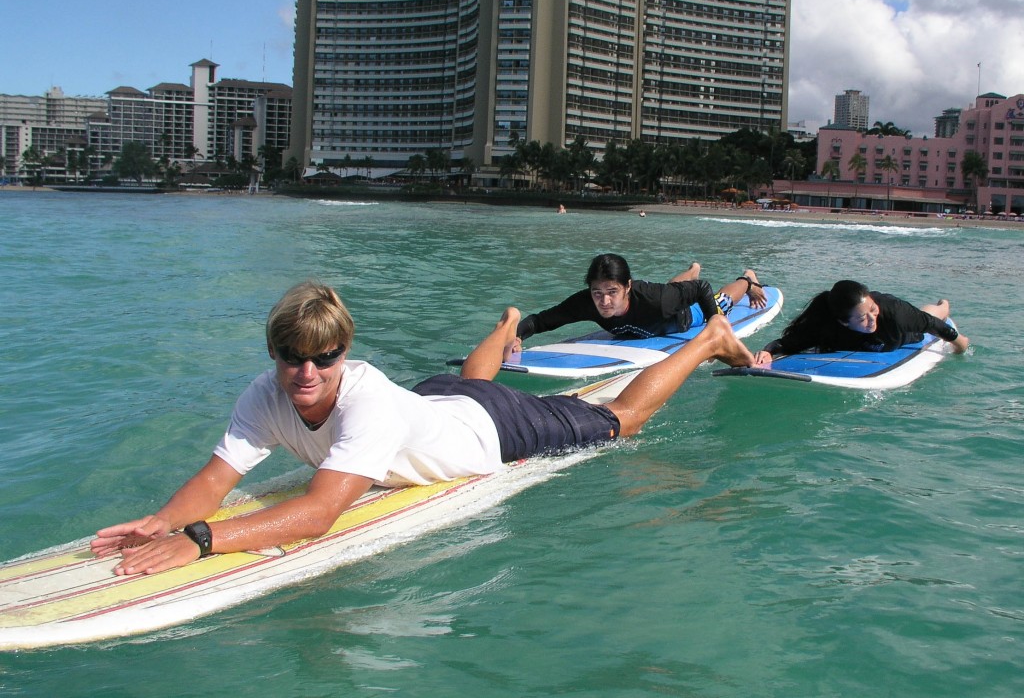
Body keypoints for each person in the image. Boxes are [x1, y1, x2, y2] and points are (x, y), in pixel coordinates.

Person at [91, 281, 755, 576]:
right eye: (294, 356)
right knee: (469, 381)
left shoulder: (365, 403)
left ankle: (709, 341)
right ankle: (506, 326)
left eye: (325, 356)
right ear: (275, 354)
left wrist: (201, 541)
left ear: (343, 351)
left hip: (492, 429)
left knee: (619, 422)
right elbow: (217, 476)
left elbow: (320, 513)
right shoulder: (265, 394)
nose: (308, 372)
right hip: (433, 403)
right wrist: (164, 519)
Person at [513, 253, 768, 349]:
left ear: (627, 286)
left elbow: (702, 289)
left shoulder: (656, 300)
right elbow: (540, 321)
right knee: (673, 289)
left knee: (720, 300)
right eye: (597, 292)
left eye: (612, 292)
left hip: (683, 318)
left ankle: (746, 279)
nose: (604, 300)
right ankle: (692, 269)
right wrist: (517, 337)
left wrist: (715, 323)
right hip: (666, 296)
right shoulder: (587, 302)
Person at [752, 279, 969, 367]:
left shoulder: (892, 313)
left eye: (872, 311)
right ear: (843, 322)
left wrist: (960, 344)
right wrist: (768, 352)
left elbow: (934, 325)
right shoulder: (827, 325)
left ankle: (944, 304)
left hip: (904, 335)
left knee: (930, 316)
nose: (872, 319)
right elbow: (787, 343)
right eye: (863, 318)